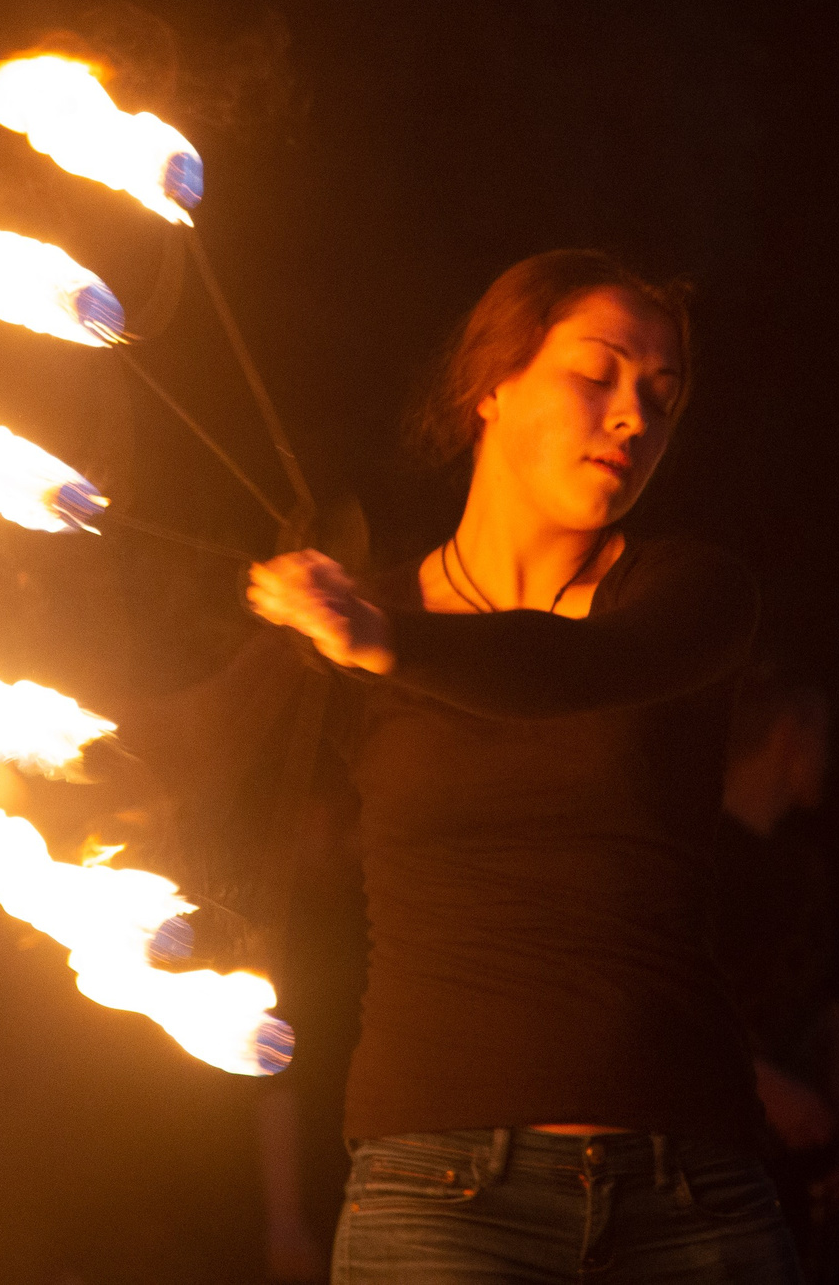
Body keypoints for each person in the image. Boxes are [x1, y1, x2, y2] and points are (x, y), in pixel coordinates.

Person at [245, 249, 795, 1284]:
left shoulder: (691, 595)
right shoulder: (350, 622)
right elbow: (169, 755)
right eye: (599, 373)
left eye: (661, 395)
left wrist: (389, 639)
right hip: (444, 1195)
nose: (634, 416)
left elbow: (578, 666)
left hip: (694, 1193)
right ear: (490, 384)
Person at [709, 669, 839, 1275]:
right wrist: (766, 1087)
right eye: (823, 736)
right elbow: (662, 1003)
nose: (829, 758)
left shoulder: (805, 868)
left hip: (784, 1172)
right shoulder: (692, 858)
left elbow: (833, 1012)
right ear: (789, 735)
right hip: (703, 1167)